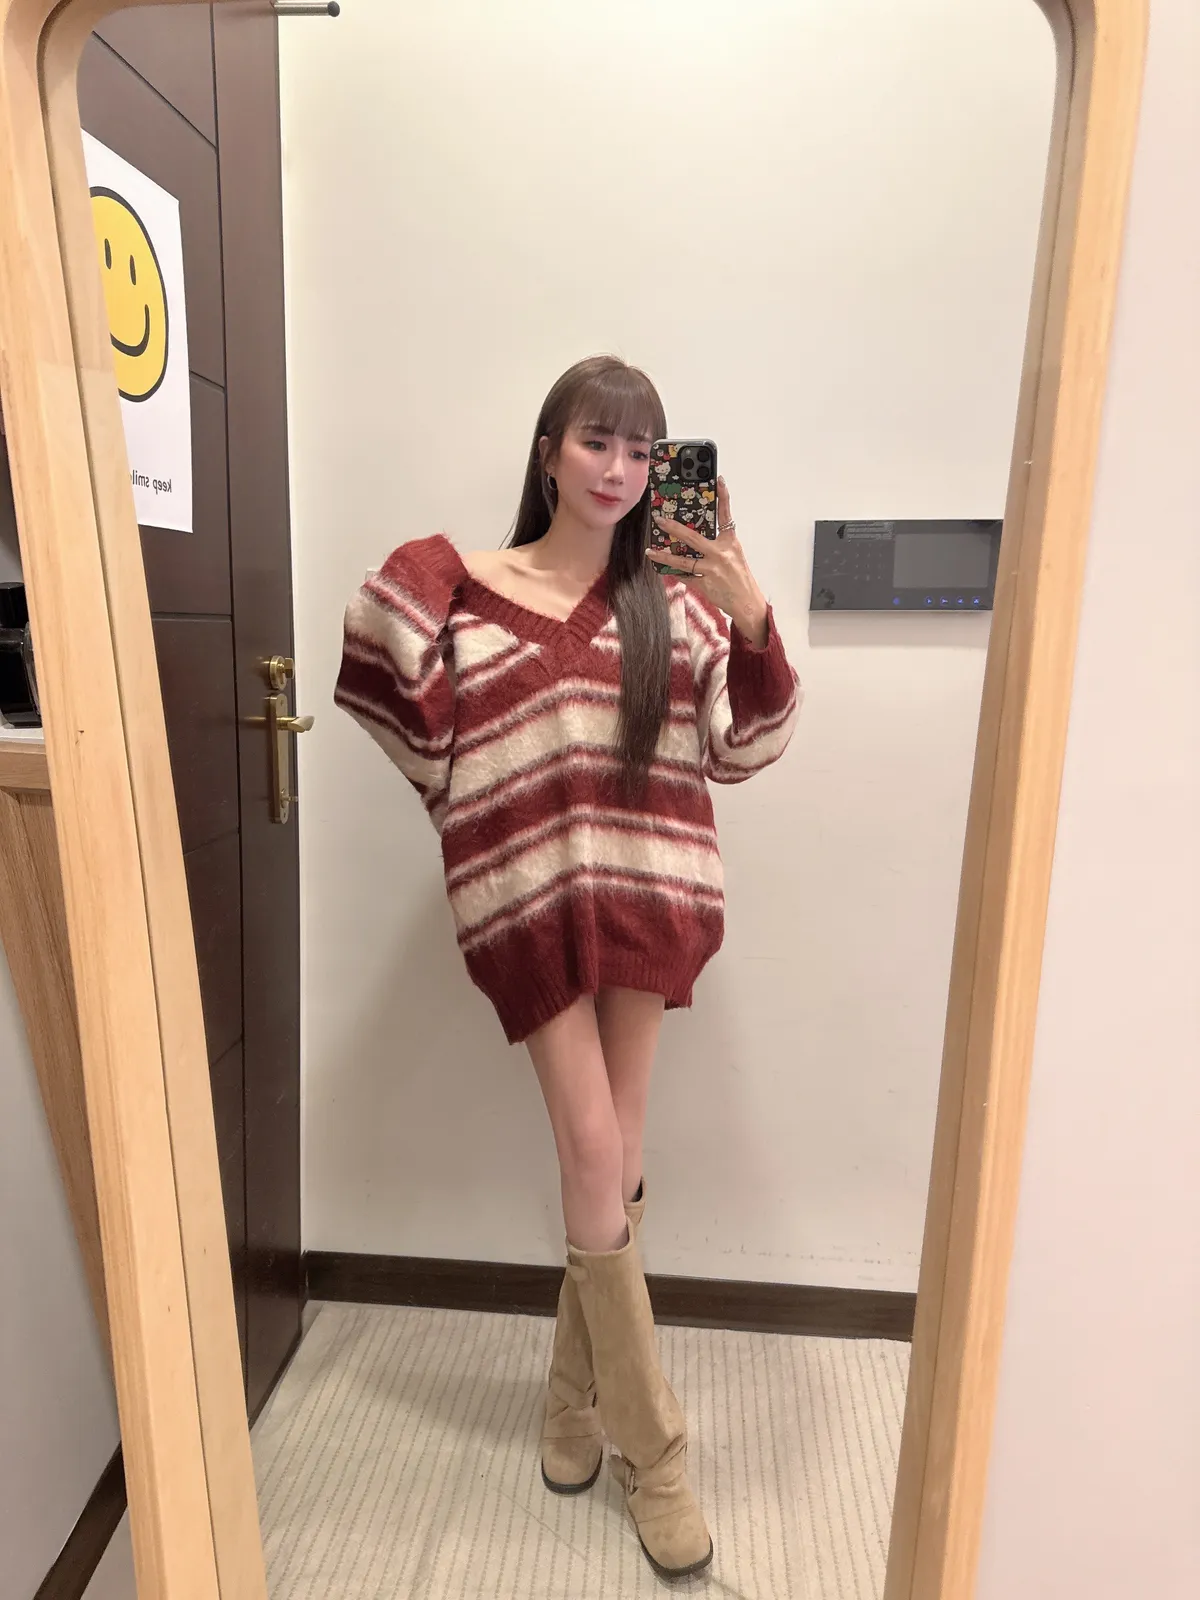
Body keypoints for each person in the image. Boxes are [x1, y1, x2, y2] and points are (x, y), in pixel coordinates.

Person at [335, 354, 801, 1580]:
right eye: (598, 440)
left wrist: (751, 611)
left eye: (643, 450)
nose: (621, 469)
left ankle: (566, 1404)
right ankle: (659, 1454)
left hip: (651, 897)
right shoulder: (474, 594)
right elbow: (386, 681)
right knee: (595, 1155)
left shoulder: (676, 605)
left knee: (617, 1161)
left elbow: (750, 745)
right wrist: (440, 560)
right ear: (550, 451)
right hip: (531, 906)